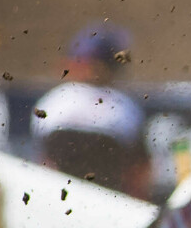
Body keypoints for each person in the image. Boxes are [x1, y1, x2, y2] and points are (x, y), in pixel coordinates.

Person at [31, 22, 153, 199]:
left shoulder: (52, 101)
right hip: (110, 202)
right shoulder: (125, 108)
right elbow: (139, 174)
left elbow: (43, 161)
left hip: (56, 199)